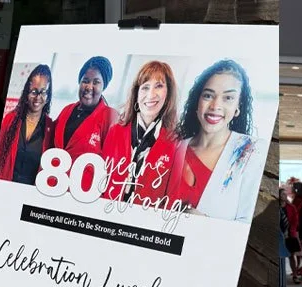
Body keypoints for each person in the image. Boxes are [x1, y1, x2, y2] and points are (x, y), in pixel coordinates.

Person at [173, 59, 267, 223]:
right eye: (208, 95)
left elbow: (247, 224)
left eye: (228, 98)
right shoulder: (175, 149)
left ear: (238, 107)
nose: (215, 105)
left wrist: (205, 223)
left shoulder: (252, 151)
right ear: (197, 102)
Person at [101, 60, 181, 205]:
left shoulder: (175, 144)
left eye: (159, 86)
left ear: (168, 94)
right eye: (145, 87)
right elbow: (101, 181)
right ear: (136, 93)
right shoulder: (115, 131)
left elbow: (171, 198)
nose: (151, 94)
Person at [0, 64, 54, 184]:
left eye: (43, 92)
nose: (38, 97)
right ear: (27, 93)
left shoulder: (51, 128)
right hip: (6, 187)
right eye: (34, 91)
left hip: (30, 195)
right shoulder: (10, 119)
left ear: (48, 97)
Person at [53, 56, 115, 162]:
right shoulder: (67, 110)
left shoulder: (110, 117)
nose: (89, 87)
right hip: (53, 177)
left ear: (103, 87)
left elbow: (112, 162)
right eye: (85, 81)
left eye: (96, 82)